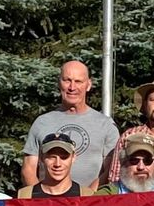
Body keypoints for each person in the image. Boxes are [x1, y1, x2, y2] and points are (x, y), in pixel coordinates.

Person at [21, 60, 118, 192]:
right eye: (67, 80)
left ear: (88, 85)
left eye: (78, 81)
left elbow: (110, 170)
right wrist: (39, 199)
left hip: (91, 205)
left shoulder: (106, 125)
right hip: (48, 205)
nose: (72, 87)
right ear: (59, 83)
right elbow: (29, 169)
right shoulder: (42, 122)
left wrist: (88, 197)